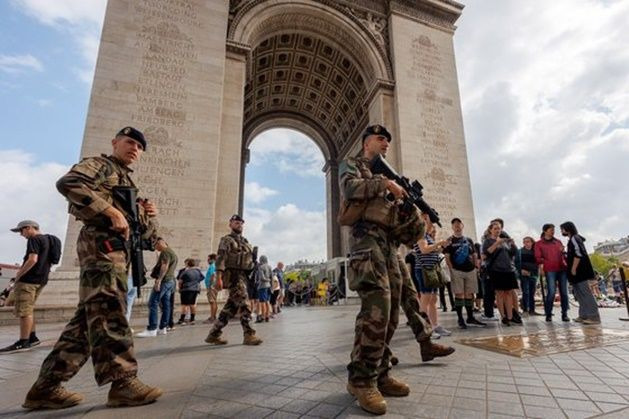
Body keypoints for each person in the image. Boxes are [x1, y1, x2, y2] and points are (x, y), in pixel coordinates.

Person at [23, 127, 162, 409]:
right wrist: (109, 210)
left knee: (86, 324)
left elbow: (145, 237)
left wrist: (149, 217)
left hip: (116, 254)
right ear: (115, 143)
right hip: (101, 250)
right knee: (109, 310)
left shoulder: (127, 183)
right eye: (130, 142)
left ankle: (45, 388)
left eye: (139, 146)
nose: (134, 148)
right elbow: (68, 182)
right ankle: (122, 382)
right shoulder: (101, 165)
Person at [339, 124, 412, 415]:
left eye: (388, 140)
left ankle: (380, 374)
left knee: (392, 312)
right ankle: (361, 379)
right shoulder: (353, 164)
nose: (386, 143)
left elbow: (406, 230)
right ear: (367, 140)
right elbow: (349, 188)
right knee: (376, 310)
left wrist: (409, 207)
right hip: (365, 245)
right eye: (381, 138)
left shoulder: (393, 178)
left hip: (389, 247)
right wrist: (384, 184)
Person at [205, 215, 262, 346]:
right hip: (233, 276)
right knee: (245, 304)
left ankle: (213, 334)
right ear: (230, 224)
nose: (239, 225)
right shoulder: (226, 240)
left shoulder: (245, 242)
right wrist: (219, 277)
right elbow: (221, 259)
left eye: (241, 223)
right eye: (236, 223)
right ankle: (249, 334)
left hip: (243, 276)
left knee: (230, 308)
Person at [0, 220, 56, 353]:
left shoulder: (34, 239)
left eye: (21, 230)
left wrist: (19, 274)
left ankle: (23, 342)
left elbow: (32, 259)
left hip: (28, 281)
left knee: (24, 311)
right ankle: (32, 338)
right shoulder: (50, 240)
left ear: (29, 228)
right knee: (29, 309)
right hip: (41, 280)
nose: (21, 234)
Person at [398, 255, 455, 363]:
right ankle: (373, 359)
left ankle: (426, 345)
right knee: (380, 304)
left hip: (390, 251)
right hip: (373, 250)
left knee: (410, 297)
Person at [443, 218, 485, 329]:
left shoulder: (469, 240)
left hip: (470, 270)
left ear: (462, 226)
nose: (457, 226)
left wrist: (476, 267)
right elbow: (447, 257)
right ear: (452, 227)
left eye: (459, 224)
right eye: (454, 225)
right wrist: (452, 269)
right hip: (457, 271)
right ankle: (460, 318)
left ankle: (470, 317)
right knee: (459, 294)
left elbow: (474, 255)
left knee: (469, 294)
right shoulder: (449, 241)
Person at [414, 215, 452, 336]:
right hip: (424, 270)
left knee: (433, 299)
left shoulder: (427, 236)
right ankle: (424, 328)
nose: (429, 222)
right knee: (425, 299)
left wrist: (441, 246)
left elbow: (431, 251)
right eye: (426, 219)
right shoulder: (419, 235)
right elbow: (424, 250)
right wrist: (439, 243)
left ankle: (434, 325)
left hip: (432, 270)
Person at [560, 222, 601, 324]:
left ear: (567, 229)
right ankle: (584, 315)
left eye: (562, 229)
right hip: (576, 271)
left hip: (580, 270)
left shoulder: (574, 238)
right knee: (579, 294)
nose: (561, 231)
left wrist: (574, 268)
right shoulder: (572, 239)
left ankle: (594, 316)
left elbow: (578, 254)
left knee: (585, 293)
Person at [137, 238, 178, 337]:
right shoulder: (172, 252)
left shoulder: (165, 252)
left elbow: (165, 266)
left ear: (160, 243)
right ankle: (163, 327)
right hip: (170, 281)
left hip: (164, 281)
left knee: (152, 303)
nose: (155, 248)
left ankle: (152, 328)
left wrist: (158, 280)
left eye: (155, 245)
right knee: (166, 304)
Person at [482, 221, 519, 326]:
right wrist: (497, 243)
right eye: (495, 228)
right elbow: (485, 255)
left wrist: (513, 244)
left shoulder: (505, 241)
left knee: (508, 293)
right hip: (496, 270)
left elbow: (513, 254)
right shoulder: (487, 241)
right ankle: (503, 316)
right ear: (491, 230)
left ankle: (510, 316)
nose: (497, 230)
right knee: (500, 293)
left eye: (499, 228)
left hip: (508, 269)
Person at [535, 224, 570, 322]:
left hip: (562, 269)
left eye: (553, 230)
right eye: (551, 230)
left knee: (564, 292)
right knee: (551, 292)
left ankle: (565, 314)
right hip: (550, 269)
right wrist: (542, 265)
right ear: (545, 231)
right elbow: (538, 257)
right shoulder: (539, 244)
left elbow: (563, 255)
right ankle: (548, 314)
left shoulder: (558, 241)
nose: (553, 231)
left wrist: (563, 252)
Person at [517, 237, 541, 316]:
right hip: (524, 275)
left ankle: (532, 310)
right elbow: (516, 263)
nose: (526, 243)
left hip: (533, 274)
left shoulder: (535, 252)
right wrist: (521, 271)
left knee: (532, 292)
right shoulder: (520, 252)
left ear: (532, 242)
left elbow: (538, 263)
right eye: (524, 242)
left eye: (528, 241)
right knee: (526, 292)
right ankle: (525, 310)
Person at [177, 258, 205, 325]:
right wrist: (196, 281)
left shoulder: (185, 272)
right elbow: (202, 277)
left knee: (184, 305)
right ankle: (192, 319)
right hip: (195, 289)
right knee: (192, 304)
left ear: (187, 264)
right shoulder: (198, 271)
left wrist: (180, 288)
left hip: (186, 289)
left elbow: (180, 281)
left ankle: (182, 319)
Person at [256, 255, 272, 322]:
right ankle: (267, 315)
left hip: (262, 286)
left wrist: (267, 280)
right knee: (267, 301)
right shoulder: (269, 267)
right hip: (269, 286)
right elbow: (271, 276)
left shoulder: (261, 267)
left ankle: (262, 316)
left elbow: (262, 278)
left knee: (262, 301)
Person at [204, 254, 218, 322]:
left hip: (211, 286)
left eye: (209, 259)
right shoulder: (214, 265)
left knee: (212, 302)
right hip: (212, 286)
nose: (207, 260)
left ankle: (212, 317)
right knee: (213, 301)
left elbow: (213, 275)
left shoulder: (212, 266)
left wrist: (211, 284)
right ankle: (213, 316)